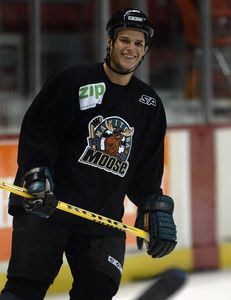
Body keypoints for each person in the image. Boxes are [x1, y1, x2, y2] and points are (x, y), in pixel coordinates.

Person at [0, 8, 177, 300]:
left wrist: (152, 206)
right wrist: (37, 172)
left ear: (145, 50)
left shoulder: (149, 105)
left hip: (101, 220)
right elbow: (40, 132)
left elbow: (145, 169)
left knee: (97, 292)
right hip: (48, 208)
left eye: (138, 43)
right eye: (124, 40)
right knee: (24, 290)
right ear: (110, 42)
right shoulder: (76, 81)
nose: (130, 48)